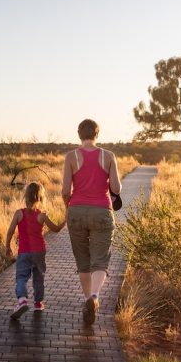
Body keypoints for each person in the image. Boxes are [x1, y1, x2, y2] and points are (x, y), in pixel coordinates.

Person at [62, 118, 122, 325]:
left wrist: (68, 207)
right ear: (97, 134)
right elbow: (116, 188)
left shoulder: (71, 157)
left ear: (79, 134)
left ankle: (87, 298)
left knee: (83, 260)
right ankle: (95, 297)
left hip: (76, 211)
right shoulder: (108, 156)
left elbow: (64, 191)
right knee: (100, 260)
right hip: (101, 212)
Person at [4, 181, 65, 319]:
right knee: (39, 277)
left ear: (26, 196)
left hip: (25, 251)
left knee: (21, 277)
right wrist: (64, 221)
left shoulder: (19, 213)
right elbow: (55, 229)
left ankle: (22, 300)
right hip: (39, 251)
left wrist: (7, 246)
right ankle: (38, 303)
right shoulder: (42, 215)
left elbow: (10, 231)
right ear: (40, 198)